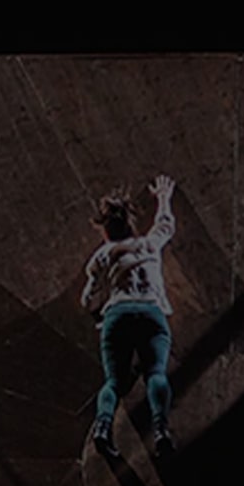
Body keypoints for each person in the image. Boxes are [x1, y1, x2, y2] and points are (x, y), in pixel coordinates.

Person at [81, 174, 179, 459]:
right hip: (151, 313)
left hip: (118, 314)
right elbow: (165, 225)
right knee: (156, 374)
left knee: (113, 382)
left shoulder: (102, 256)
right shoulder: (149, 245)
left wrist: (97, 308)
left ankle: (102, 427)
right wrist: (163, 198)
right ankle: (161, 430)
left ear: (106, 231)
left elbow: (88, 299)